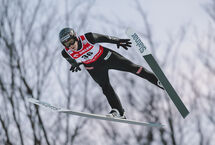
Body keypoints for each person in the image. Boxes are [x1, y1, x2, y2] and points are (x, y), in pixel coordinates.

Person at [59, 28, 164, 119]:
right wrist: (75, 65)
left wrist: (118, 41)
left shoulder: (88, 38)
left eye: (71, 42)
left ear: (76, 38)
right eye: (67, 44)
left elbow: (106, 38)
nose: (71, 46)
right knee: (105, 87)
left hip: (108, 58)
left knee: (133, 68)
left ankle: (158, 81)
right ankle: (118, 111)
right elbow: (71, 60)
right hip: (94, 68)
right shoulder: (66, 52)